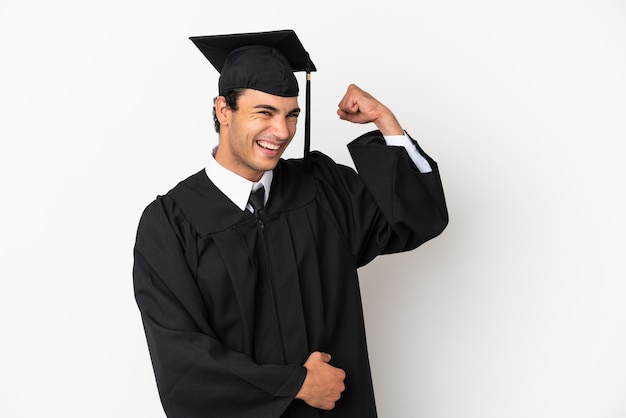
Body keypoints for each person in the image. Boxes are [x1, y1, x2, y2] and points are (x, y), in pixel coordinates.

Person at [133, 29, 448, 418]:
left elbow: (417, 220)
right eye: (264, 112)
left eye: (291, 114)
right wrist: (295, 385)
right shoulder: (170, 225)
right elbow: (182, 365)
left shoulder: (323, 189)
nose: (281, 131)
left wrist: (387, 125)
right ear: (223, 110)